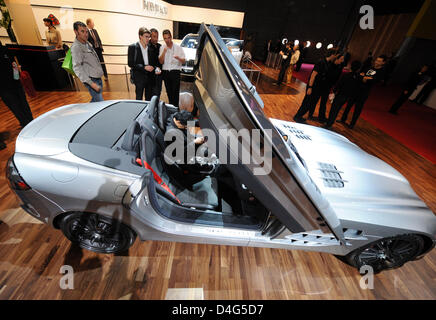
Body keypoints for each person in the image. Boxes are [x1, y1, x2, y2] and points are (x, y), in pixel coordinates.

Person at [339, 55, 387, 129]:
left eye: (379, 61)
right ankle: (343, 119)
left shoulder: (381, 72)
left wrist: (365, 78)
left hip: (364, 92)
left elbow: (374, 80)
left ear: (383, 63)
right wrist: (365, 78)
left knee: (358, 108)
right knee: (349, 105)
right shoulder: (369, 68)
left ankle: (352, 124)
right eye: (377, 60)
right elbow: (360, 75)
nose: (377, 62)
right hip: (357, 89)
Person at [293, 49, 340, 123]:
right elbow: (313, 75)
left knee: (310, 103)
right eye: (335, 55)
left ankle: (299, 116)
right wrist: (310, 87)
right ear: (332, 54)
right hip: (313, 86)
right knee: (307, 102)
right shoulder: (321, 62)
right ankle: (297, 116)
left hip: (318, 87)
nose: (336, 57)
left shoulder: (328, 63)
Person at [0, 41, 34, 129]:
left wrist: (16, 79)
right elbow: (14, 65)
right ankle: (29, 121)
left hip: (7, 85)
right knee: (20, 102)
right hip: (10, 84)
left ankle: (26, 122)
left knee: (16, 105)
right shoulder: (5, 49)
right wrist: (16, 78)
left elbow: (14, 65)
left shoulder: (5, 50)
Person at [71, 21, 104, 102]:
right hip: (92, 80)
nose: (86, 34)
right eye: (82, 31)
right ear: (76, 32)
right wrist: (91, 84)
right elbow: (77, 68)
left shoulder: (87, 43)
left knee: (95, 102)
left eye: (86, 31)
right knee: (100, 104)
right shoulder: (76, 47)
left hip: (97, 78)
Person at [323, 60, 362, 128]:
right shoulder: (359, 77)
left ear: (351, 66)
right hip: (348, 97)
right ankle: (330, 123)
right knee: (337, 110)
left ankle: (328, 124)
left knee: (334, 110)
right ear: (358, 69)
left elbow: (338, 85)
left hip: (341, 95)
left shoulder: (346, 75)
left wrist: (334, 92)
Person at [128, 27, 160, 101]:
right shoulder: (133, 47)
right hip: (139, 78)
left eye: (149, 37)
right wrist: (144, 67)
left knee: (148, 99)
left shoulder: (150, 48)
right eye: (146, 36)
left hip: (150, 78)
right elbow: (130, 63)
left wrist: (156, 68)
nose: (148, 39)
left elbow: (153, 63)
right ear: (140, 36)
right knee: (139, 98)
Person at [315, 53, 345, 123]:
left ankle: (321, 117)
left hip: (328, 87)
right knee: (315, 100)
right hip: (322, 85)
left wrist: (333, 88)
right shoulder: (330, 65)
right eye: (341, 59)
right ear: (337, 59)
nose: (342, 61)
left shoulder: (339, 67)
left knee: (324, 102)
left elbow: (336, 78)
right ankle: (311, 114)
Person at [159, 29, 186, 107]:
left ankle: (176, 108)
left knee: (175, 92)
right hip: (166, 72)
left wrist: (178, 58)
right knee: (169, 92)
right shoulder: (162, 47)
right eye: (165, 38)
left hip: (175, 71)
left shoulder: (178, 47)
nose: (167, 40)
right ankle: (171, 108)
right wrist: (164, 52)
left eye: (168, 38)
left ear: (171, 37)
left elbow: (184, 61)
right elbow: (161, 62)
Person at [150, 28, 163, 98]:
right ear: (150, 36)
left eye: (157, 37)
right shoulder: (147, 46)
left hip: (159, 75)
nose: (156, 39)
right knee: (151, 95)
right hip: (151, 75)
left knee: (158, 92)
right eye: (154, 36)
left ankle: (156, 107)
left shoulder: (160, 46)